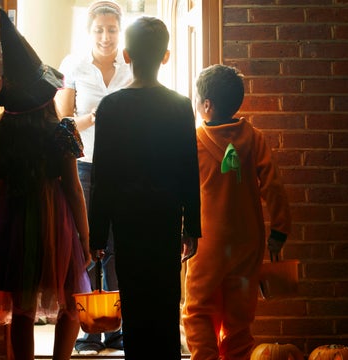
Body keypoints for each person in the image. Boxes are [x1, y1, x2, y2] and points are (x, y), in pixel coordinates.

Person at [0, 10, 91, 360]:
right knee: (71, 300)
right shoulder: (60, 132)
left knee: (22, 309)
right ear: (45, 96)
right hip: (55, 223)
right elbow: (74, 189)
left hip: (10, 221)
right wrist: (85, 236)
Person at [88, 16, 201, 359]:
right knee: (166, 303)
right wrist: (192, 226)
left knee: (135, 304)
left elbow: (102, 175)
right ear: (165, 56)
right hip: (165, 218)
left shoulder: (111, 107)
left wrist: (97, 235)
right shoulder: (181, 106)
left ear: (125, 55)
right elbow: (188, 171)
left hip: (128, 222)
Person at [181, 64, 292, 360]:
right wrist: (279, 231)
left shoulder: (193, 142)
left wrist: (181, 230)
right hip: (247, 244)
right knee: (239, 320)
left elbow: (183, 192)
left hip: (207, 245)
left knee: (199, 310)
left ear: (206, 105)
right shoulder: (254, 138)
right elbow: (274, 187)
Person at [53, 0, 132, 353]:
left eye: (112, 29)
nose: (106, 37)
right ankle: (88, 328)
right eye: (99, 30)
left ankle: (115, 326)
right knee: (85, 245)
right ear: (89, 32)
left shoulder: (130, 66)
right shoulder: (73, 65)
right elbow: (62, 121)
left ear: (121, 31)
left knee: (116, 246)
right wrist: (98, 117)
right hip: (82, 165)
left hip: (122, 166)